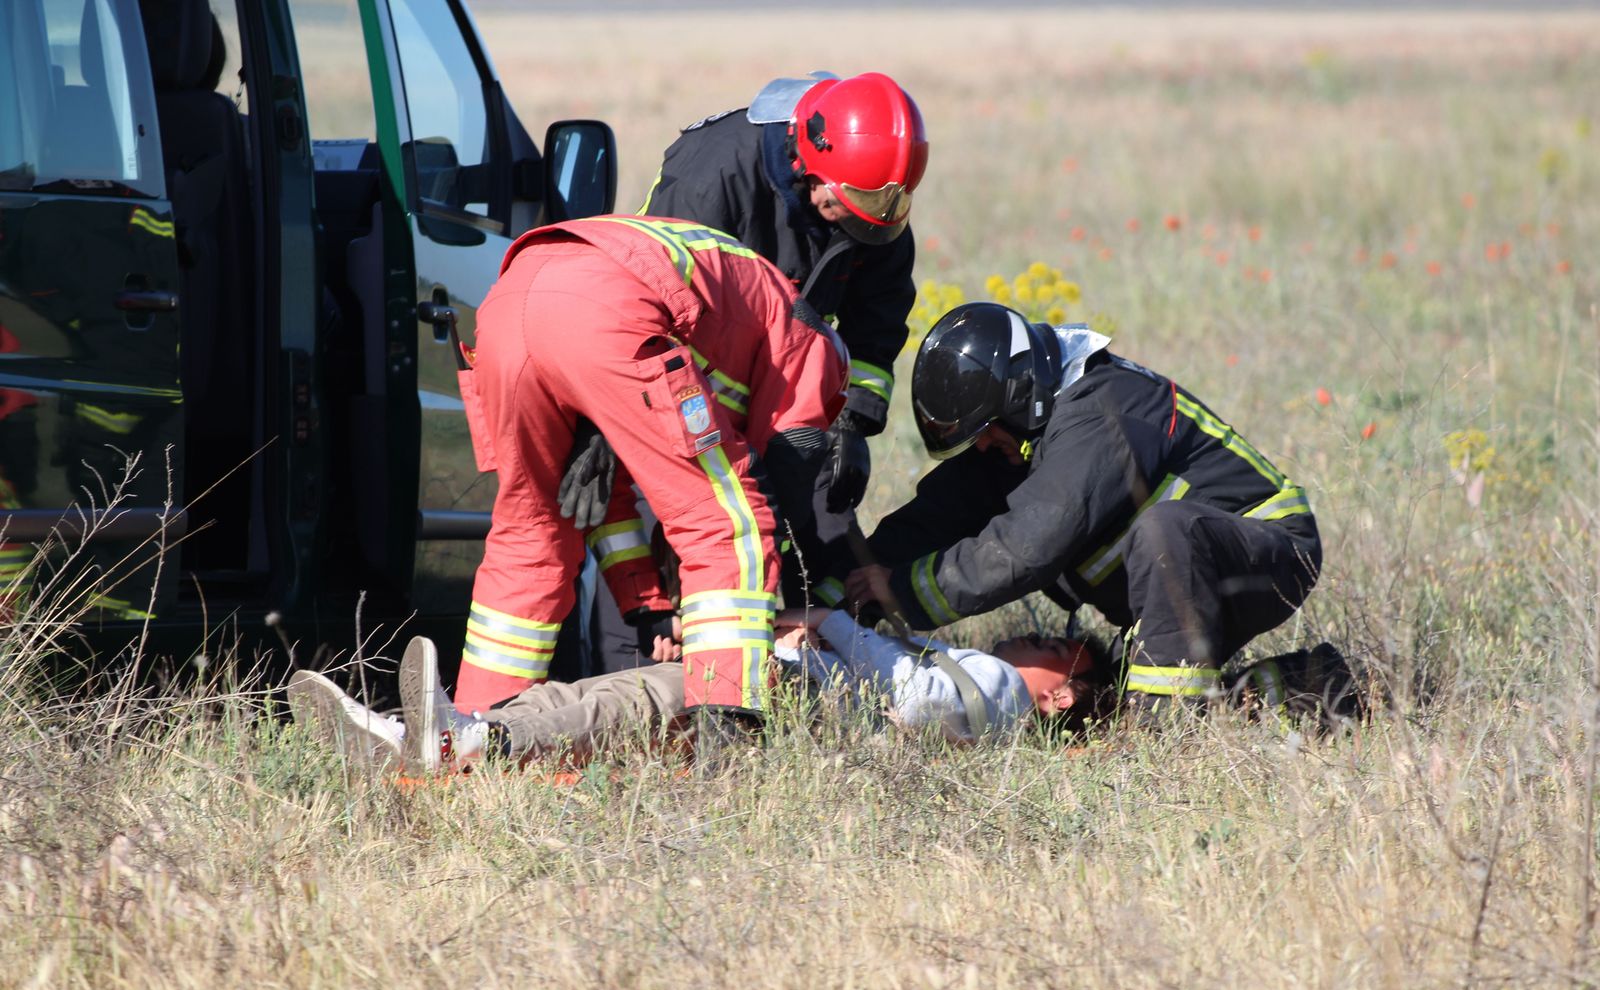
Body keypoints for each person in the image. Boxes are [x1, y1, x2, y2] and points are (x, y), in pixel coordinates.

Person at [557, 74, 929, 675]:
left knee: (821, 525)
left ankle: (819, 677)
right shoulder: (713, 176)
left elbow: (877, 320)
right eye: (848, 209)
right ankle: (633, 690)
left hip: (788, 386)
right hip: (677, 383)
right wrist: (605, 424)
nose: (866, 228)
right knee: (670, 525)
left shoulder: (872, 191)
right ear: (808, 163)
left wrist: (853, 421)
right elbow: (636, 299)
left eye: (887, 211)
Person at [452, 215, 848, 731]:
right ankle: (728, 727)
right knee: (726, 523)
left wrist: (647, 605)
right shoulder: (809, 343)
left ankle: (469, 728)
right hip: (608, 308)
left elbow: (600, 494)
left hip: (506, 308)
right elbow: (783, 473)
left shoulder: (744, 300)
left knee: (532, 534)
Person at [839, 302, 1324, 716]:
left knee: (1164, 529)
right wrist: (842, 596)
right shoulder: (1024, 433)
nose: (983, 443)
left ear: (1020, 396)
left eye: (986, 429)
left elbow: (1028, 547)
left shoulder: (1100, 411)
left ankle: (1165, 730)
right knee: (1107, 696)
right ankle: (1313, 685)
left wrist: (902, 590)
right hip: (1182, 580)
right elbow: (938, 513)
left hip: (1268, 554)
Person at [287, 621, 1104, 774]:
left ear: (1064, 689)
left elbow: (915, 698)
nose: (1024, 637)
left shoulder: (999, 690)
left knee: (629, 701)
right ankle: (429, 740)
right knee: (611, 704)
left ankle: (458, 741)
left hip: (794, 697)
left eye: (1046, 642)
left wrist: (831, 623)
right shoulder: (997, 724)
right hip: (804, 721)